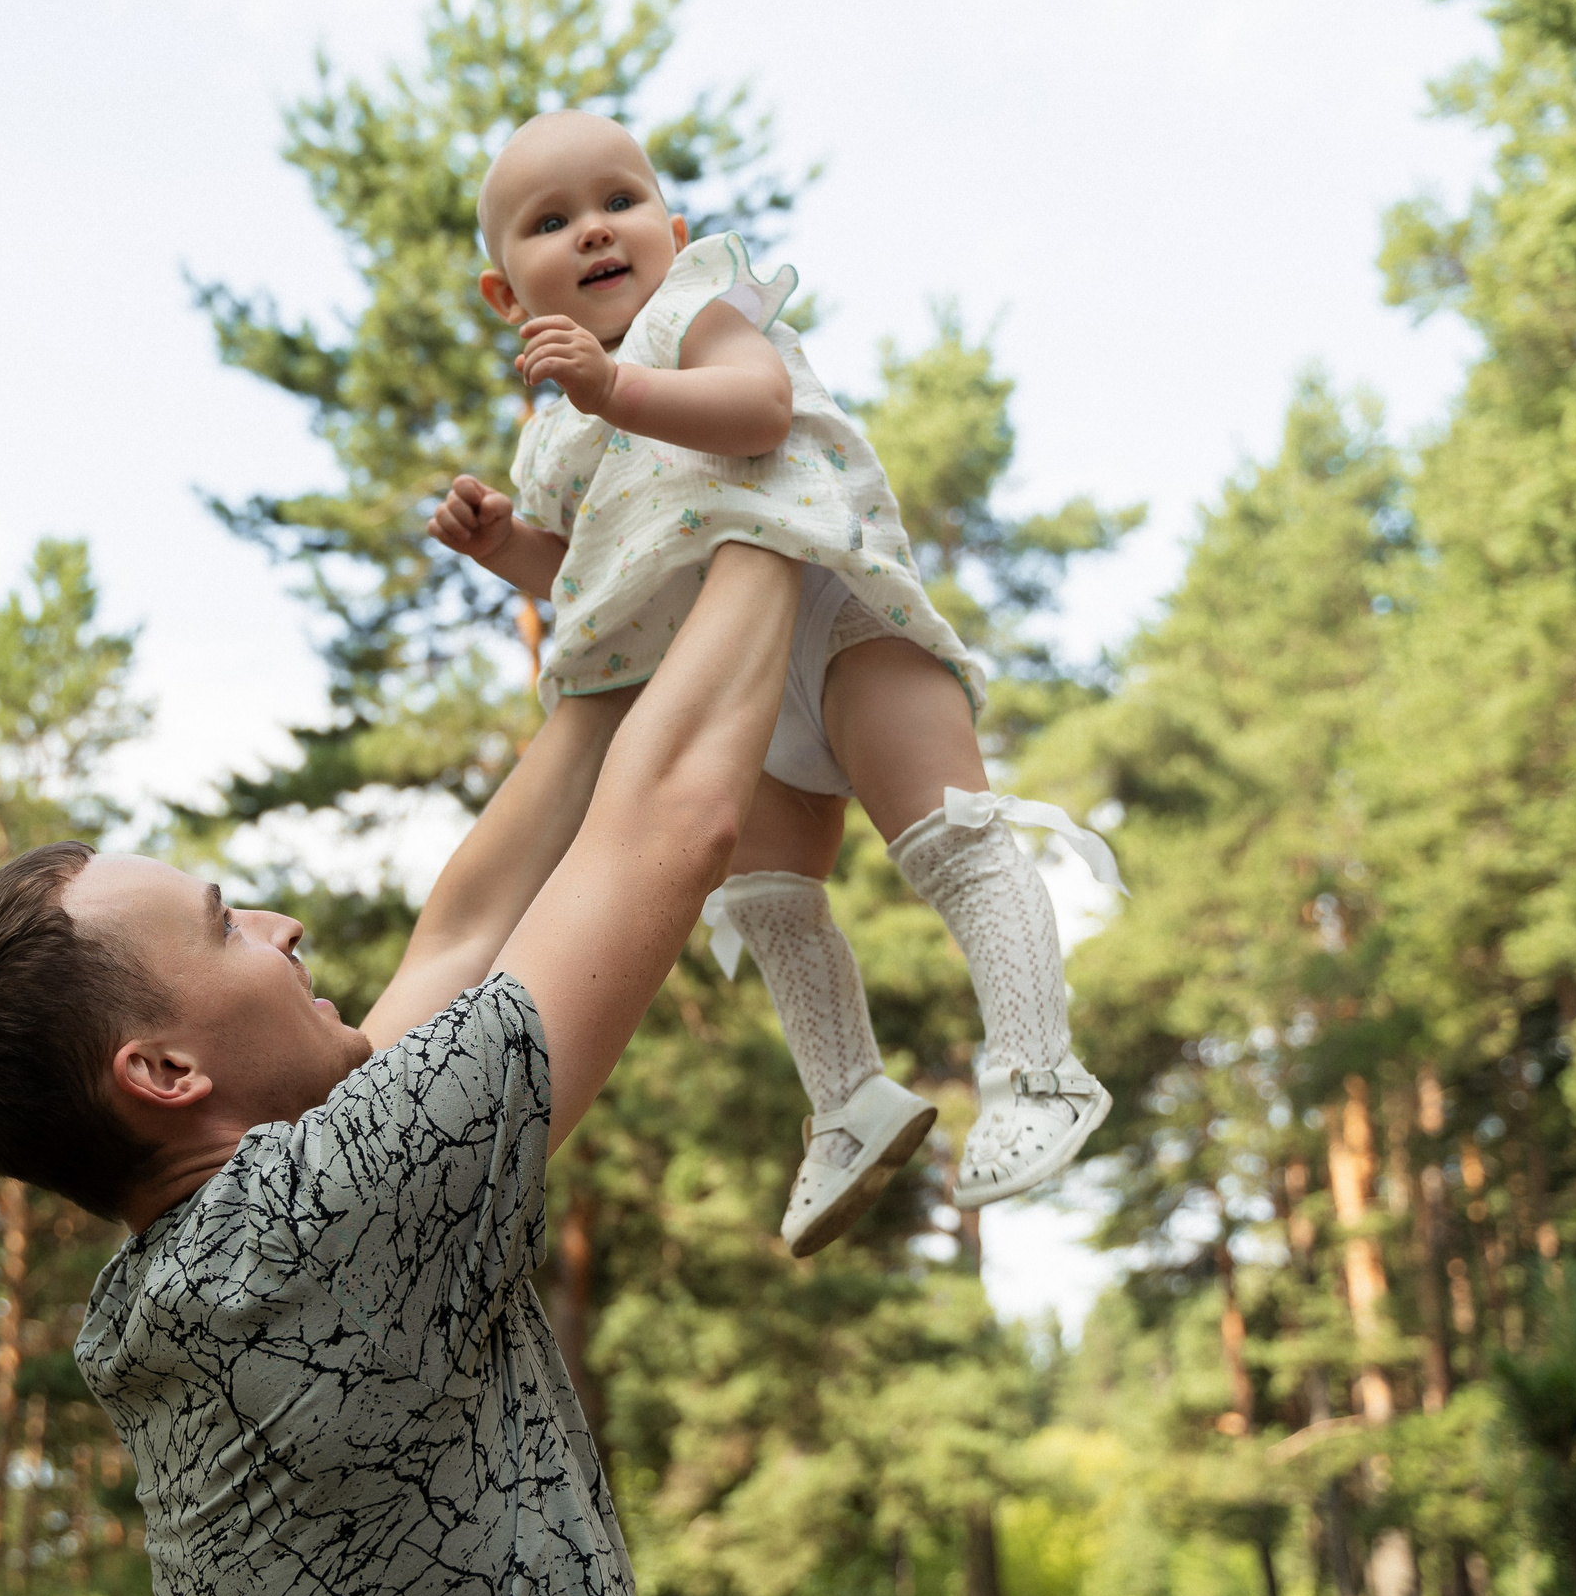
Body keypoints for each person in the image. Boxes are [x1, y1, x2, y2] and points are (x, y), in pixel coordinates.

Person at [0, 539, 806, 1596]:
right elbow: (676, 823)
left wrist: (605, 652)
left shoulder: (196, 1281)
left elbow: (462, 934)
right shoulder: (320, 1227)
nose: (282, 925)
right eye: (225, 923)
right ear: (167, 1073)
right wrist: (762, 504)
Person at [413, 109, 1122, 1254]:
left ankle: (1038, 1067)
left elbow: (758, 411)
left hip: (836, 611)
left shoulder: (697, 308)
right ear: (507, 295)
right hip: (720, 681)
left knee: (946, 832)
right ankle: (847, 1104)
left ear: (671, 226)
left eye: (619, 201)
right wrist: (506, 550)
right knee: (768, 896)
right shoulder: (554, 436)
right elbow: (599, 571)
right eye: (552, 222)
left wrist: (612, 390)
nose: (597, 231)